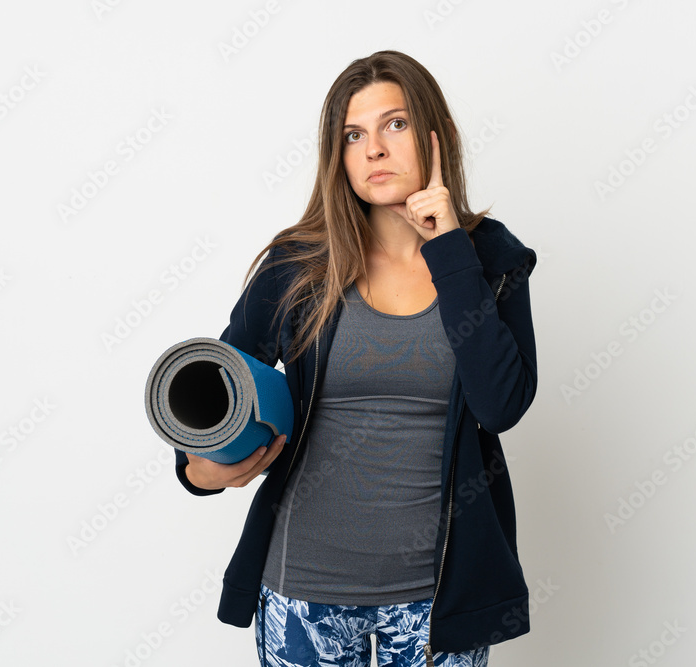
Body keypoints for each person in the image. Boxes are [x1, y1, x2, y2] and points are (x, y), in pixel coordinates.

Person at [174, 50, 538, 667]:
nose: (374, 149)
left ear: (435, 137)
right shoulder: (299, 265)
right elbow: (218, 391)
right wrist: (198, 471)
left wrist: (449, 247)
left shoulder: (490, 261)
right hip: (304, 589)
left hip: (437, 601)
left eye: (394, 125)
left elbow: (500, 405)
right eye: (353, 134)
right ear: (337, 156)